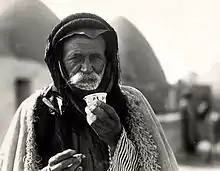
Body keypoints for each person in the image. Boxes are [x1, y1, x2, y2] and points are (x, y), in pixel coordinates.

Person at [0, 13, 178, 171]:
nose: (86, 68)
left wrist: (117, 139)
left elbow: (156, 166)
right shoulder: (33, 110)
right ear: (60, 64)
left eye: (95, 58)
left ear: (107, 62)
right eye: (76, 58)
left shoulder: (132, 104)